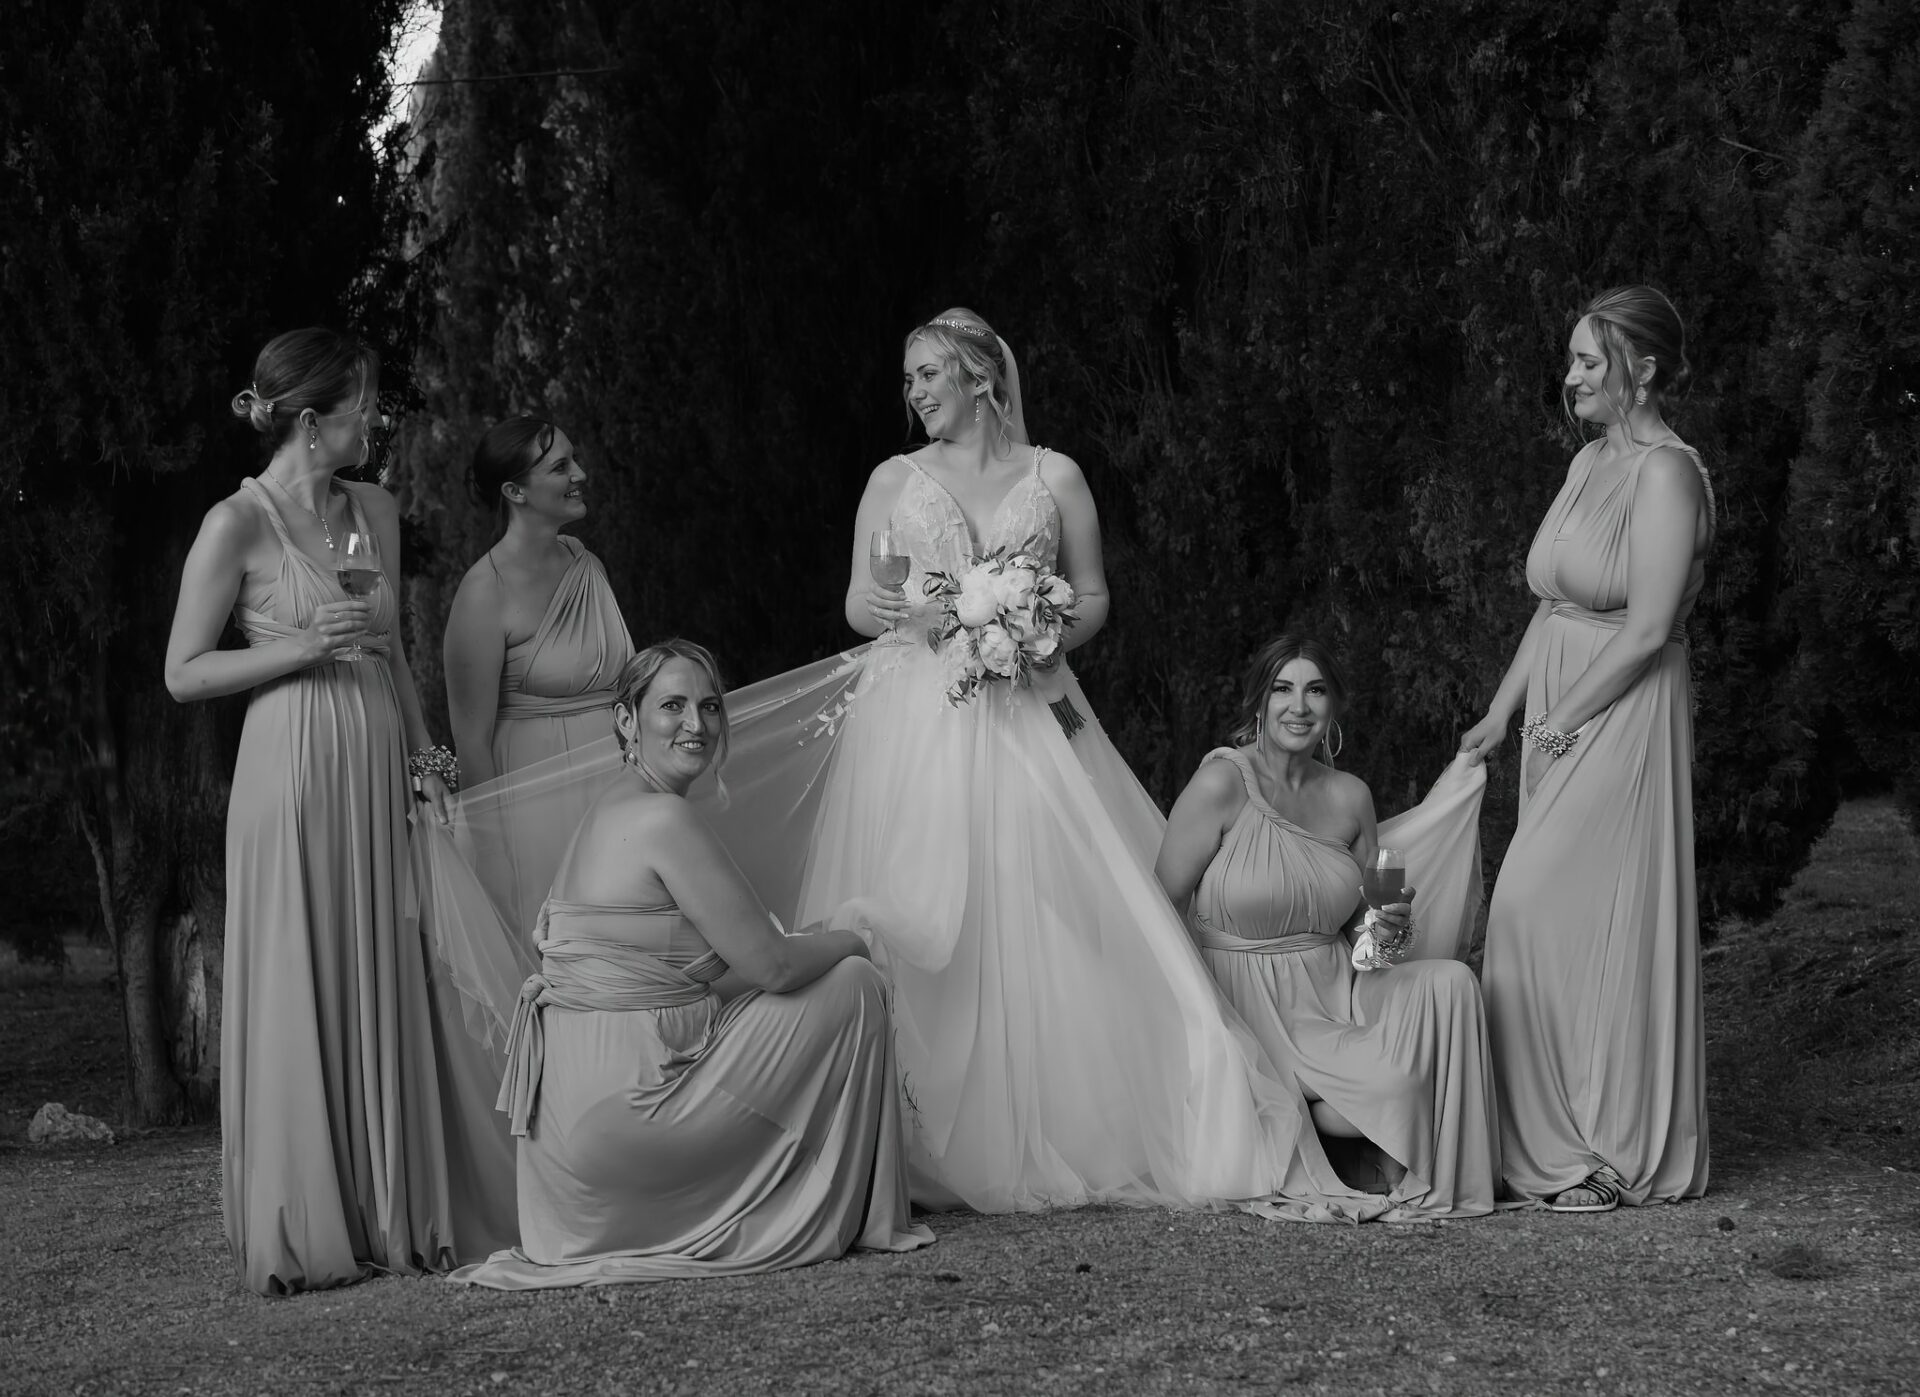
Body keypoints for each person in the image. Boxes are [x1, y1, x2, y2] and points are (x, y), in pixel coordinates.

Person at [696, 307, 1392, 1218]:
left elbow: (1093, 594)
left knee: (1053, 898)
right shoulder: (893, 479)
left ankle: (1068, 1117)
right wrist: (922, 613)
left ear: (981, 376)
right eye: (908, 380)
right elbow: (863, 602)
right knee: (931, 904)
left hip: (1037, 707)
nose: (914, 393)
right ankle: (916, 1129)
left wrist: (1039, 626)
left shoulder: (1054, 475)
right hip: (921, 717)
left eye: (927, 374)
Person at [447, 641, 933, 1287]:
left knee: (791, 991)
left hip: (567, 1149)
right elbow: (774, 968)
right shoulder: (662, 818)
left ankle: (769, 1187)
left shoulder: (611, 807)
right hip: (627, 1117)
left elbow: (719, 975)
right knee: (854, 985)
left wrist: (798, 948)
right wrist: (853, 939)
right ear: (627, 720)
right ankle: (817, 1200)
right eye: (672, 705)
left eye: (708, 706)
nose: (696, 724)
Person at [165, 328, 457, 1294]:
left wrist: (428, 762)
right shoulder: (235, 524)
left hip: (373, 757)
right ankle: (306, 1220)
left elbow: (395, 654)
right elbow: (183, 672)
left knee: (379, 956)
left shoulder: (375, 508)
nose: (373, 418)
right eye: (360, 403)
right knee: (302, 964)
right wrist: (297, 648)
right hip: (287, 767)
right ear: (308, 421)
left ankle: (385, 1207)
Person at [1458, 285, 1712, 1212]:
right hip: (1559, 706)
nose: (1570, 377)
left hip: (1623, 713)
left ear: (1642, 367)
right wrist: (1503, 714)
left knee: (1547, 912)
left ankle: (1605, 1146)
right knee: (1554, 922)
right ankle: (1545, 1135)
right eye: (1572, 359)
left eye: (1589, 360)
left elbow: (1645, 631)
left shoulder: (1667, 474)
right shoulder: (1587, 461)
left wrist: (1560, 722)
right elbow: (1554, 605)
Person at [1155, 637, 1500, 1219]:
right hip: (1238, 996)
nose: (1299, 706)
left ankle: (1329, 1136)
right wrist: (1202, 1014)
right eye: (1282, 689)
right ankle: (1328, 1140)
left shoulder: (1351, 797)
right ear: (1259, 703)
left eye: (1315, 690)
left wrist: (1387, 930)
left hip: (1329, 996)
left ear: (1333, 706)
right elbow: (1163, 904)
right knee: (1363, 1094)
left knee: (1443, 1000)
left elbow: (1369, 947)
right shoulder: (1221, 784)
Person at [440, 417, 635, 941]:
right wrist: (491, 852)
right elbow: (470, 741)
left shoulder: (586, 564)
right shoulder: (484, 591)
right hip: (534, 804)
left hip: (614, 784)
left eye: (574, 460)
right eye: (561, 467)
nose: (581, 474)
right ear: (515, 492)